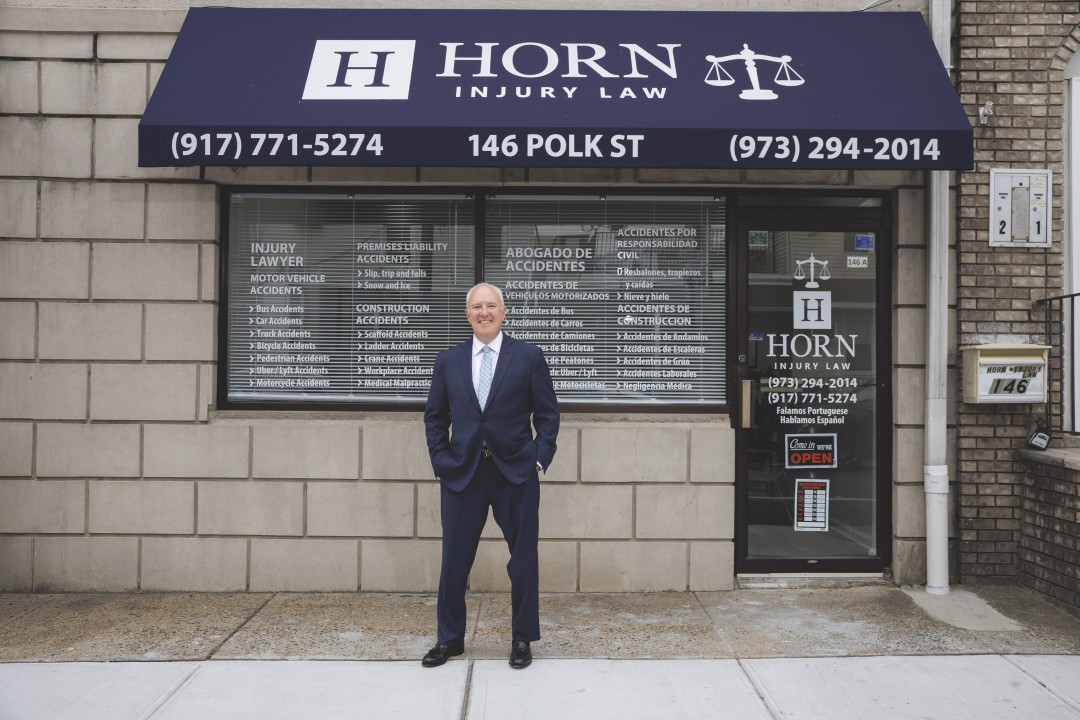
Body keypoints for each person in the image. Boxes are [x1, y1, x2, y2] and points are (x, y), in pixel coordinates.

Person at [422, 282, 560, 669]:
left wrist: (538, 459)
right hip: (462, 473)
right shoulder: (448, 361)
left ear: (503, 312)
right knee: (454, 560)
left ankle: (522, 639)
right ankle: (449, 640)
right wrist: (441, 460)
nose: (484, 313)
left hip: (515, 472)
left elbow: (548, 415)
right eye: (477, 307)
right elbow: (435, 418)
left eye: (491, 306)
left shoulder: (528, 357)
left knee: (523, 560)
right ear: (467, 314)